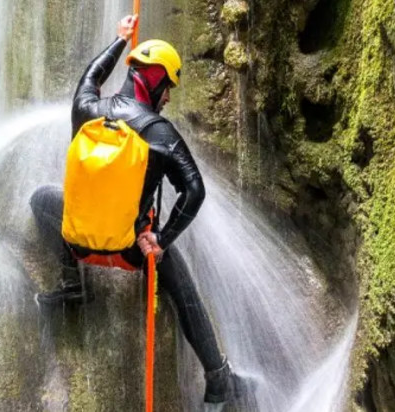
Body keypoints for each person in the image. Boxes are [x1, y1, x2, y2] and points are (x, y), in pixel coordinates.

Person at [29, 15, 243, 404]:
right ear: (158, 79)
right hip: (131, 252)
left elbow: (89, 77)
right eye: (169, 87)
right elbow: (195, 191)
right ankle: (218, 376)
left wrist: (119, 41)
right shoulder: (159, 133)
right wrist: (160, 239)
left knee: (40, 199)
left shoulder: (86, 110)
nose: (169, 98)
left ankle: (72, 283)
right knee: (182, 285)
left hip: (79, 243)